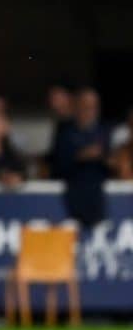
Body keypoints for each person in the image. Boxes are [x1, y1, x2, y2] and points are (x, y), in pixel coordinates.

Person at [54, 88, 111, 230]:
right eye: (86, 106)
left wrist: (107, 159)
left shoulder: (104, 132)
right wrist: (80, 156)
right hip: (71, 204)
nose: (90, 111)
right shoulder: (65, 133)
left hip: (97, 203)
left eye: (93, 107)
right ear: (77, 107)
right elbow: (57, 166)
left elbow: (111, 164)